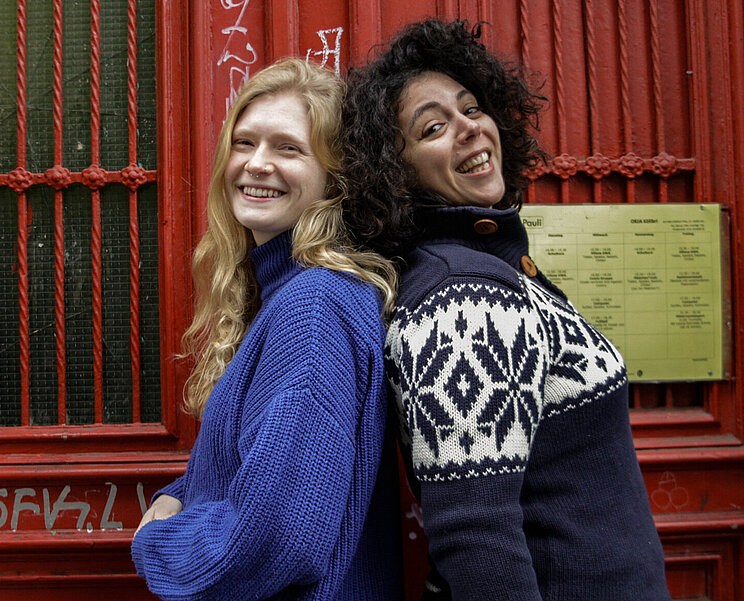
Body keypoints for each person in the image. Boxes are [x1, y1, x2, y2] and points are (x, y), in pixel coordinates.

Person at [342, 19, 670, 601]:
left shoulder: (489, 265)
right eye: (434, 127)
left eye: (471, 109)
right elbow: (476, 534)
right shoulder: (463, 296)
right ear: (396, 173)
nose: (468, 128)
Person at [132, 57, 403, 601]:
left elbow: (278, 535)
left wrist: (159, 540)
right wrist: (184, 492)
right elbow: (269, 465)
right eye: (244, 143)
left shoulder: (314, 308)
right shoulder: (284, 292)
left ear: (335, 176)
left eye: (289, 148)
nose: (257, 164)